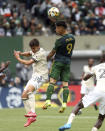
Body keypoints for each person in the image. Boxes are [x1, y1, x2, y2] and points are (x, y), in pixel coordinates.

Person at [59, 55, 105, 131]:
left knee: (79, 105)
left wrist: (86, 77)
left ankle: (68, 123)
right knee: (101, 117)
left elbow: (85, 77)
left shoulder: (97, 67)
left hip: (98, 90)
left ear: (102, 59)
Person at [14, 38, 48, 127]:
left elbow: (28, 63)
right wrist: (21, 53)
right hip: (35, 76)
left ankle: (32, 113)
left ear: (38, 47)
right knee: (24, 95)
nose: (33, 50)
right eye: (32, 48)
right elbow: (29, 53)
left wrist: (18, 57)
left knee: (29, 90)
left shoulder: (41, 53)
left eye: (34, 48)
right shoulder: (34, 51)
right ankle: (31, 117)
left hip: (41, 75)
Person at [43, 21, 75, 113]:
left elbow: (52, 53)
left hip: (58, 62)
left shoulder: (59, 41)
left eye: (57, 27)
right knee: (65, 84)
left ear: (62, 28)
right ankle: (64, 103)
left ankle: (48, 101)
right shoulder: (72, 38)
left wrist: (45, 59)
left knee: (52, 81)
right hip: (67, 63)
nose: (55, 29)